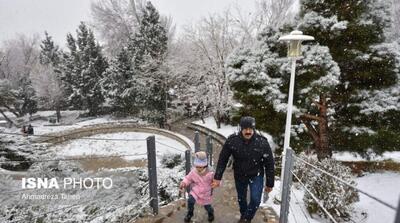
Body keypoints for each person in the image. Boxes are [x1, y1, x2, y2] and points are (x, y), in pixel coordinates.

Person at [212, 116, 275, 223]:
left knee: (255, 200)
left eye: (251, 129)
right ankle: (244, 216)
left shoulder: (262, 142)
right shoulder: (232, 141)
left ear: (254, 129)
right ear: (241, 129)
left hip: (256, 175)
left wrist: (270, 182)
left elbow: (269, 163)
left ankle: (246, 218)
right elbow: (223, 159)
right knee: (242, 199)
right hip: (240, 174)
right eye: (245, 129)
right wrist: (217, 177)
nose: (248, 131)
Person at [180, 151, 215, 222]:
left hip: (206, 193)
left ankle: (210, 213)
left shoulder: (210, 173)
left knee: (207, 207)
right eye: (197, 166)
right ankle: (190, 213)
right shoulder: (194, 172)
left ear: (205, 166)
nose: (198, 169)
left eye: (200, 167)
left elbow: (217, 181)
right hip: (195, 191)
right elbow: (188, 178)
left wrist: (215, 183)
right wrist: (184, 182)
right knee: (190, 201)